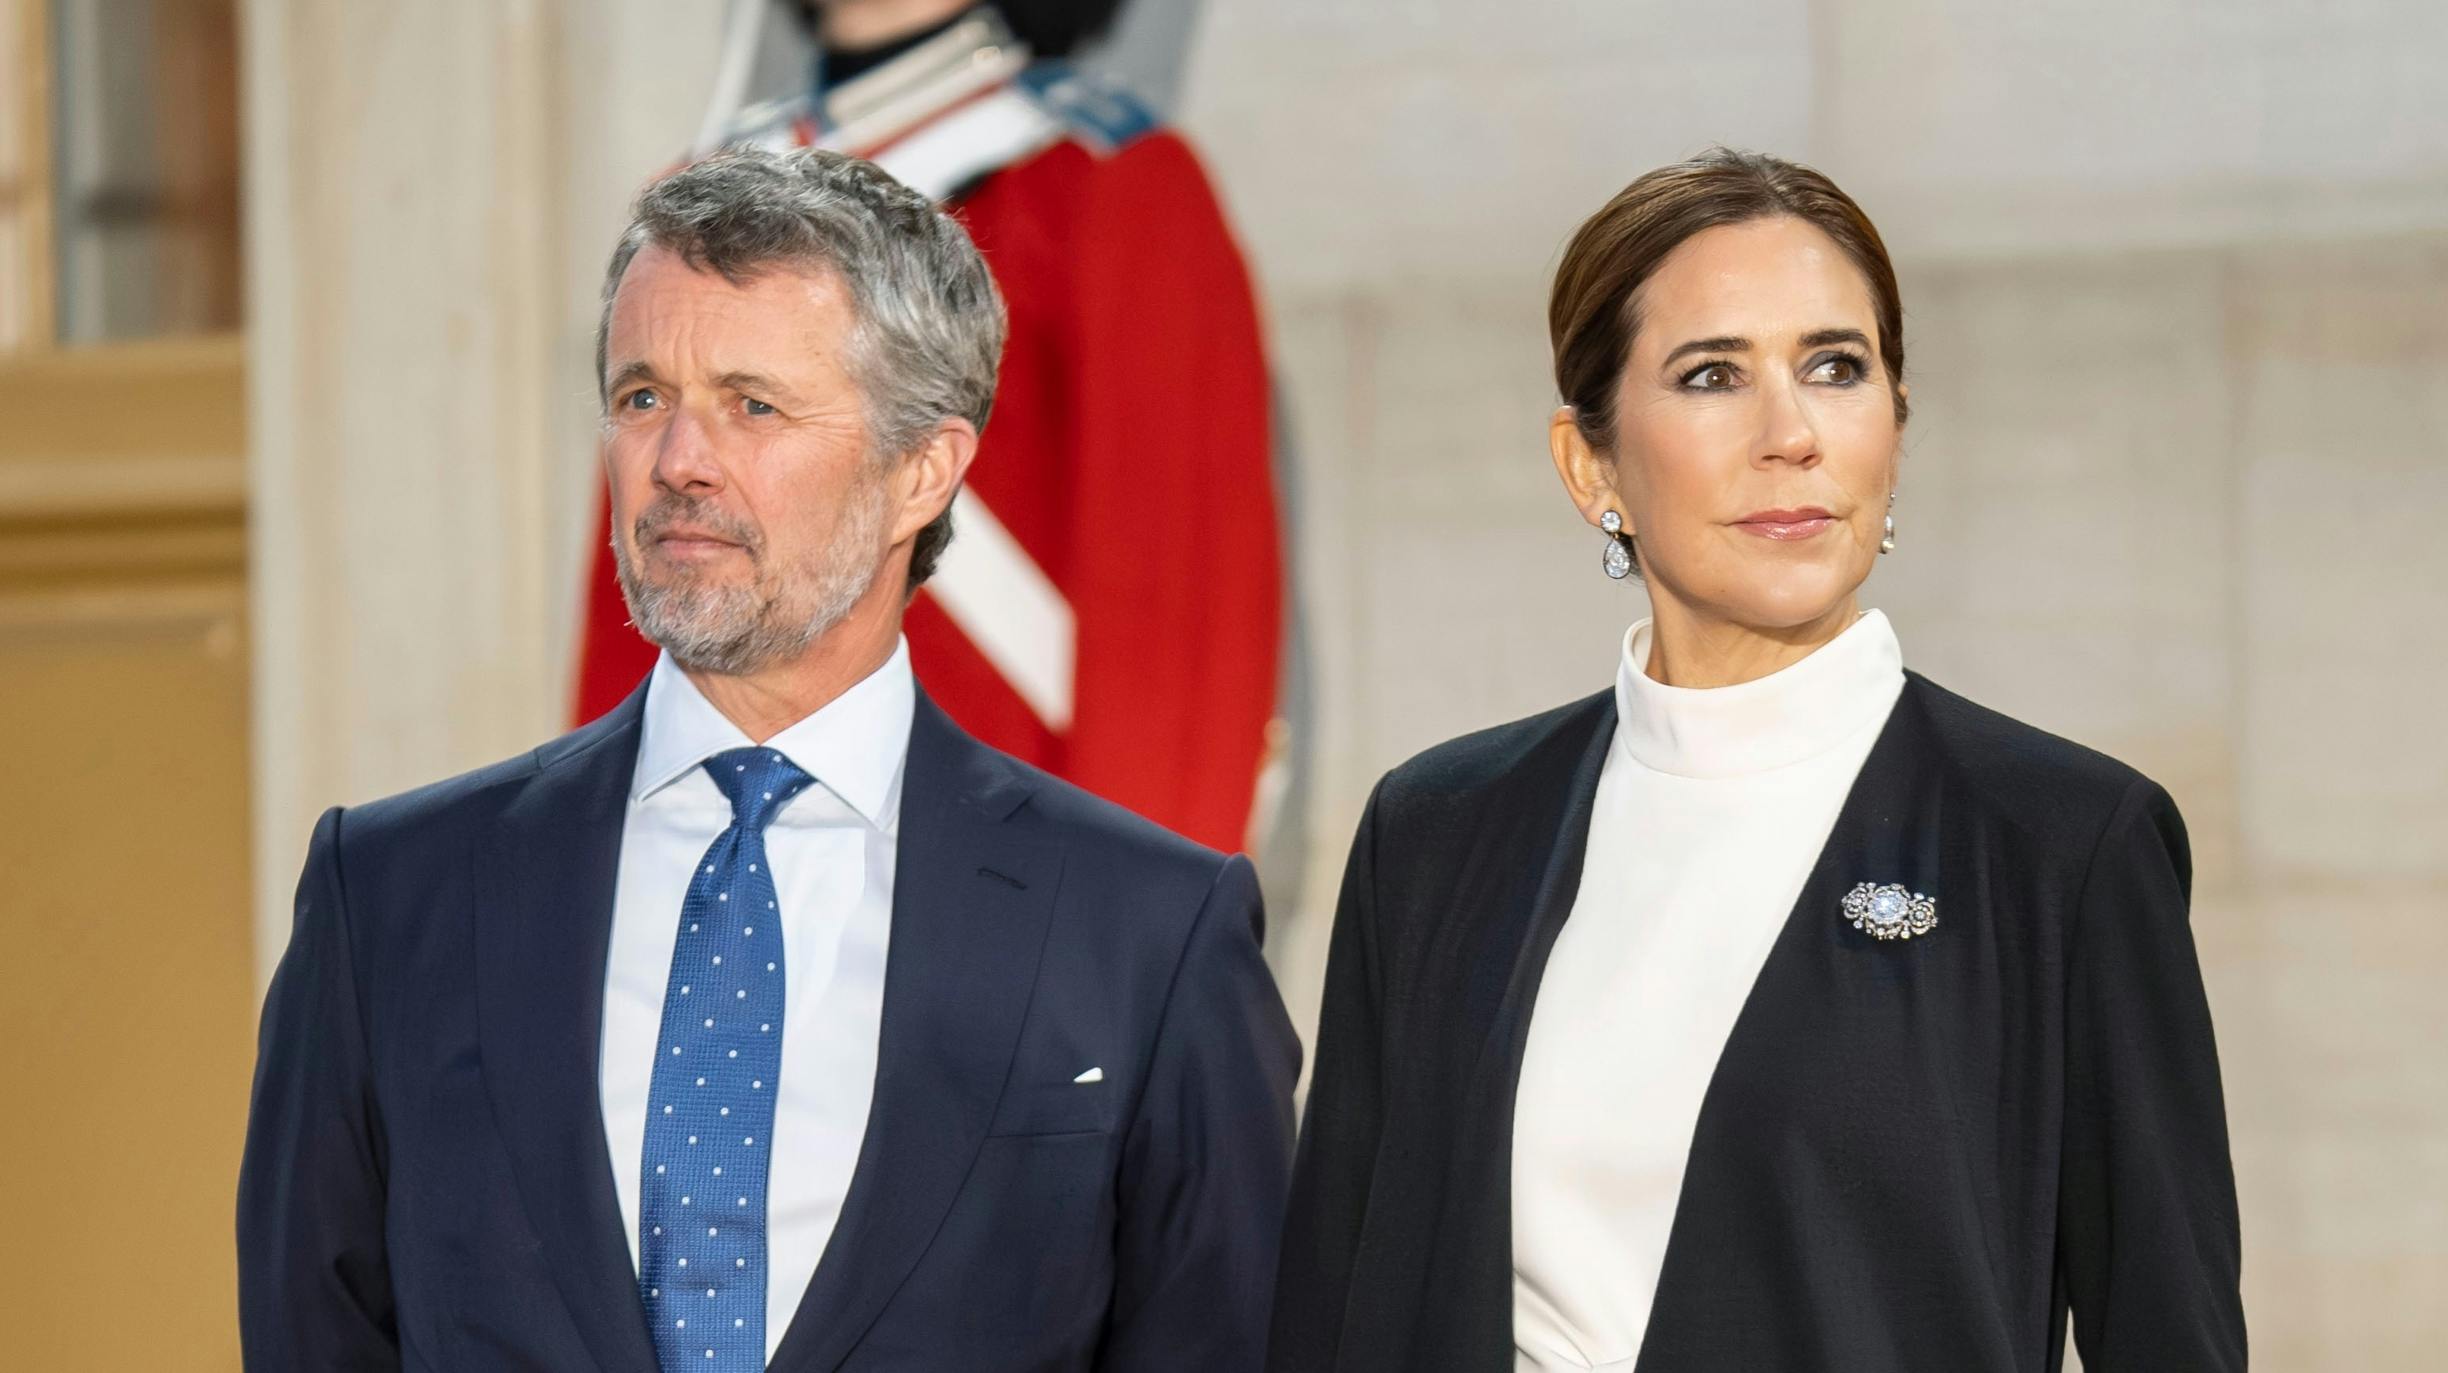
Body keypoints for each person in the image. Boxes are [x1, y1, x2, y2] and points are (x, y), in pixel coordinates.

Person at [239, 147, 1299, 1372]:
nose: (677, 460)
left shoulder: (1151, 935)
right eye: (643, 396)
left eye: (753, 405)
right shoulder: (387, 898)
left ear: (923, 469)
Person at [1267, 149, 2246, 1372]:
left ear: (1894, 426)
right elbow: (1334, 1308)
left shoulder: (2065, 845)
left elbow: (2169, 1332)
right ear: (1591, 465)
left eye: (1836, 367)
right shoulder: (1437, 830)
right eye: (1712, 375)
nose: (1792, 434)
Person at [572, 0, 1288, 861]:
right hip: (718, 843)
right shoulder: (700, 195)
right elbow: (640, 605)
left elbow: (1177, 622)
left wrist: (1136, 915)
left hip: (1002, 858)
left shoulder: (1111, 181)